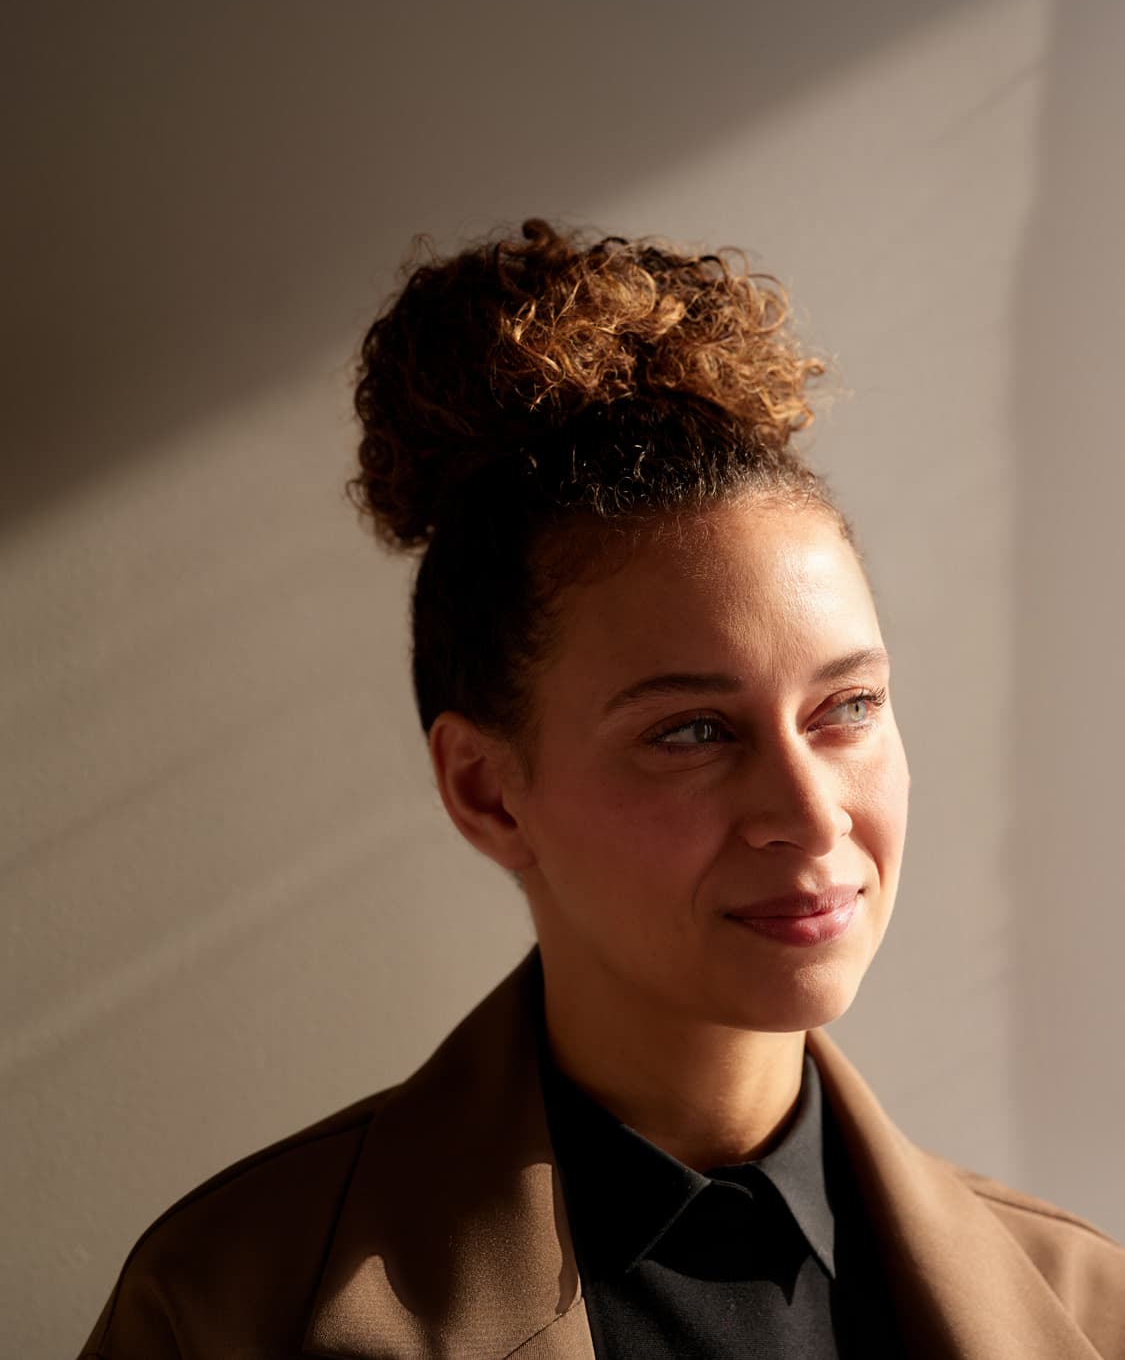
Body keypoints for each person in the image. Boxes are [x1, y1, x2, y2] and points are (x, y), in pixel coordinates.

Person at [79, 220, 1125, 1360]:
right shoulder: (233, 1309)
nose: (814, 813)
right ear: (485, 791)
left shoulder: (1088, 1302)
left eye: (847, 708)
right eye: (691, 731)